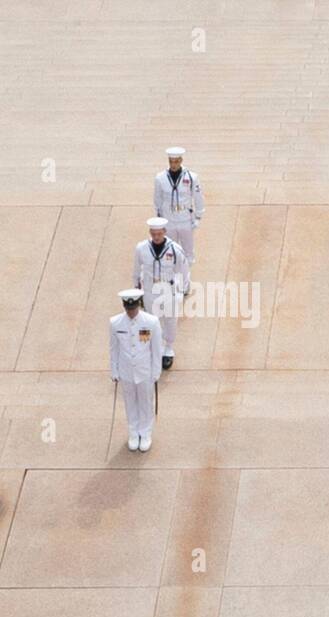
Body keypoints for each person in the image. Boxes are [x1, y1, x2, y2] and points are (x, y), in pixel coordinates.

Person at [108, 290, 162, 452]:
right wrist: (114, 369)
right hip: (126, 371)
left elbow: (156, 349)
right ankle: (133, 432)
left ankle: (145, 433)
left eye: (133, 308)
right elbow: (113, 348)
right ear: (124, 306)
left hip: (145, 370)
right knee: (130, 403)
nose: (131, 312)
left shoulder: (151, 322)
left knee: (145, 402)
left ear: (138, 305)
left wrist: (156, 372)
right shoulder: (115, 323)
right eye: (128, 309)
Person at [131, 217, 188, 370]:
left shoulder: (174, 249)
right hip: (150, 289)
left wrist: (182, 290)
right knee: (148, 320)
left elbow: (183, 270)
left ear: (164, 232)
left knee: (170, 320)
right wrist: (136, 290)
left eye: (159, 234)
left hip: (168, 289)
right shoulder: (141, 248)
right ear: (150, 232)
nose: (156, 237)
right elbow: (136, 270)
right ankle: (149, 347)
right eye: (154, 234)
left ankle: (168, 348)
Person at [152, 146, 203, 289]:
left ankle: (185, 283)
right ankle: (174, 282)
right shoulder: (160, 178)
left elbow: (198, 197)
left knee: (187, 252)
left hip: (185, 218)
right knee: (171, 251)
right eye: (171, 161)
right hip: (169, 219)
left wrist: (198, 216)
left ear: (181, 160)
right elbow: (157, 199)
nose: (173, 165)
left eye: (176, 161)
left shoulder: (191, 177)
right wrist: (159, 218)